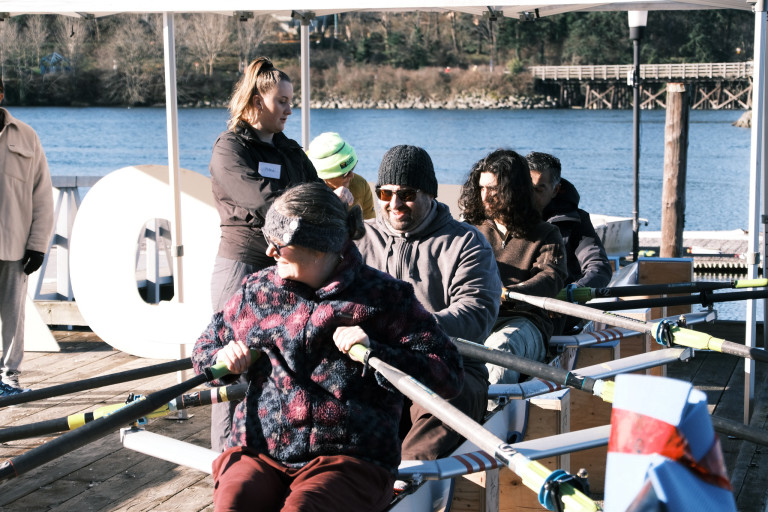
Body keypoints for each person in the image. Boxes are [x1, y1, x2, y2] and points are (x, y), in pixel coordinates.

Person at [191, 182, 463, 512]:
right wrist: (221, 358)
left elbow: (448, 372)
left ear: (319, 247)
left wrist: (376, 351)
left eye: (280, 244)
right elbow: (205, 346)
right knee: (234, 504)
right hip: (259, 450)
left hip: (349, 458)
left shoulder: (384, 297)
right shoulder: (258, 290)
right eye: (268, 241)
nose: (269, 252)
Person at [355, 144, 501, 464]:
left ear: (429, 194)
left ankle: (406, 480)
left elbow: (477, 311)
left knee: (418, 449)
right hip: (375, 366)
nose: (394, 204)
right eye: (384, 193)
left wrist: (409, 327)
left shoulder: (466, 242)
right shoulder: (360, 240)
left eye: (406, 193)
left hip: (448, 366)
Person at [208, 56, 320, 451]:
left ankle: (271, 449)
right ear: (256, 101)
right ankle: (227, 457)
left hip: (284, 268)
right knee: (233, 366)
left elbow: (315, 190)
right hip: (242, 266)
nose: (291, 109)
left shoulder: (290, 150)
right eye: (283, 102)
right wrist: (308, 206)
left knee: (280, 364)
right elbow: (260, 199)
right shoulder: (229, 148)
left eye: (292, 101)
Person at [459, 149, 567, 386]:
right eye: (481, 188)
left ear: (515, 190)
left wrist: (509, 293)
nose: (485, 197)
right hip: (476, 319)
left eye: (494, 190)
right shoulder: (469, 230)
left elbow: (551, 277)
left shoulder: (547, 234)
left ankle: (487, 415)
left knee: (501, 348)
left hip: (524, 321)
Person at [0, 78, 54, 396]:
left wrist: (38, 244)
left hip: (15, 246)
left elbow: (42, 195)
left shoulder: (27, 136)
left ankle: (9, 376)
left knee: (13, 314)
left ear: (2, 94)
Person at [527, 151, 612, 334]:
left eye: (539, 189)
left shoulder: (576, 222)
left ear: (556, 189)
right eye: (526, 188)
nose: (530, 197)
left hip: (558, 312)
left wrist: (575, 291)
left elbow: (598, 266)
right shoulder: (505, 219)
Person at [307, 132, 375, 219]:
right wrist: (331, 201)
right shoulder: (302, 190)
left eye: (352, 168)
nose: (352, 176)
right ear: (324, 176)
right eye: (345, 174)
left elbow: (370, 227)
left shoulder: (360, 185)